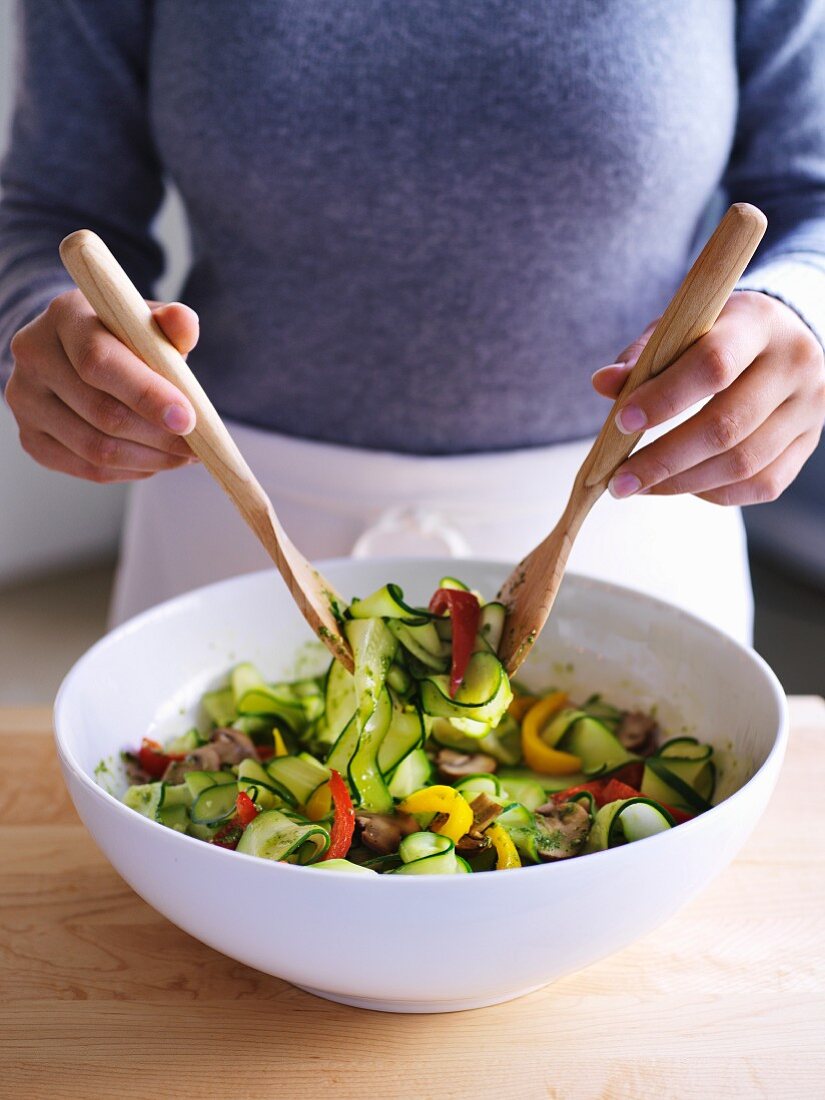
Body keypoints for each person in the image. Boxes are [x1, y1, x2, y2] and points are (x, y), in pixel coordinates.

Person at [1, 2, 824, 644]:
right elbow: (51, 207)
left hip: (638, 513)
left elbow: (811, 194)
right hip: (233, 521)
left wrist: (797, 311)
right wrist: (44, 326)